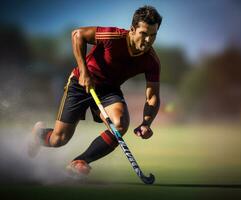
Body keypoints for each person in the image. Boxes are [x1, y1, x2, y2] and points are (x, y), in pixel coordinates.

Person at [28, 5, 162, 177]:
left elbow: (152, 97)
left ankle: (80, 161)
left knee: (120, 124)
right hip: (80, 84)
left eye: (153, 35)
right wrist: (84, 72)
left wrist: (146, 123)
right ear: (133, 29)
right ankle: (39, 135)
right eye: (144, 33)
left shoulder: (151, 61)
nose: (148, 40)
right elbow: (78, 35)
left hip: (108, 90)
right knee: (59, 139)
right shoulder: (113, 37)